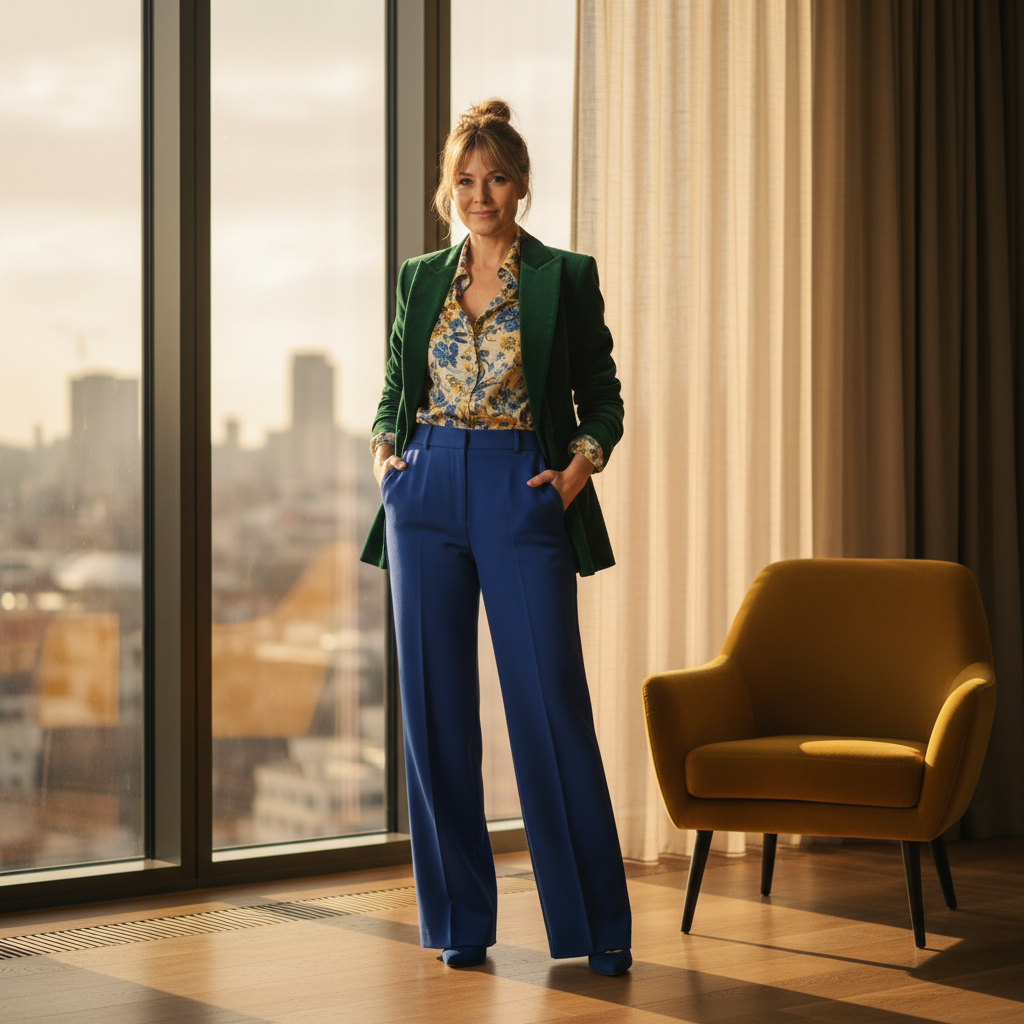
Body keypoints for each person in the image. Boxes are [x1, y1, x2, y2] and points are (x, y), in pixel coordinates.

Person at [360, 99, 631, 976]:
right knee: (434, 711)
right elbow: (394, 384)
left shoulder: (564, 276)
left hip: (522, 488)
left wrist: (578, 469)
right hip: (427, 488)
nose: (482, 195)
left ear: (521, 185)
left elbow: (603, 392)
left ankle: (595, 928)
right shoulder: (418, 278)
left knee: (550, 706)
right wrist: (385, 456)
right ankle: (459, 922)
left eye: (498, 178)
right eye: (466, 181)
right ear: (449, 190)